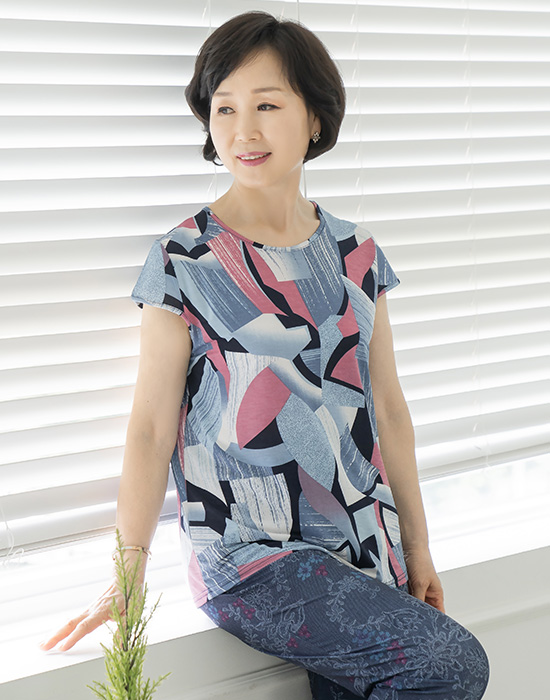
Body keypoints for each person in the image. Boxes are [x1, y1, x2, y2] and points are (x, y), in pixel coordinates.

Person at [40, 11, 489, 700]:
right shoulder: (184, 259)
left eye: (267, 106)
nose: (243, 130)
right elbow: (151, 429)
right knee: (450, 663)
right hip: (251, 557)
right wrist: (128, 575)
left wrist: (418, 549)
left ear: (315, 119)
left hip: (364, 542)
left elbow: (388, 412)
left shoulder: (357, 254)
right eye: (225, 108)